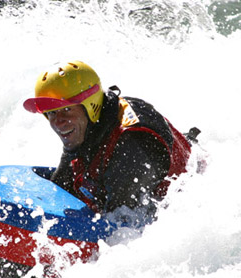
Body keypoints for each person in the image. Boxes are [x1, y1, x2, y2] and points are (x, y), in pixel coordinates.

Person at [23, 60, 199, 226]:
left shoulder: (129, 148)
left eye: (67, 109)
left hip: (190, 203)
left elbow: (120, 233)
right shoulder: (85, 128)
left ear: (90, 106)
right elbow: (61, 187)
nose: (58, 122)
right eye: (51, 113)